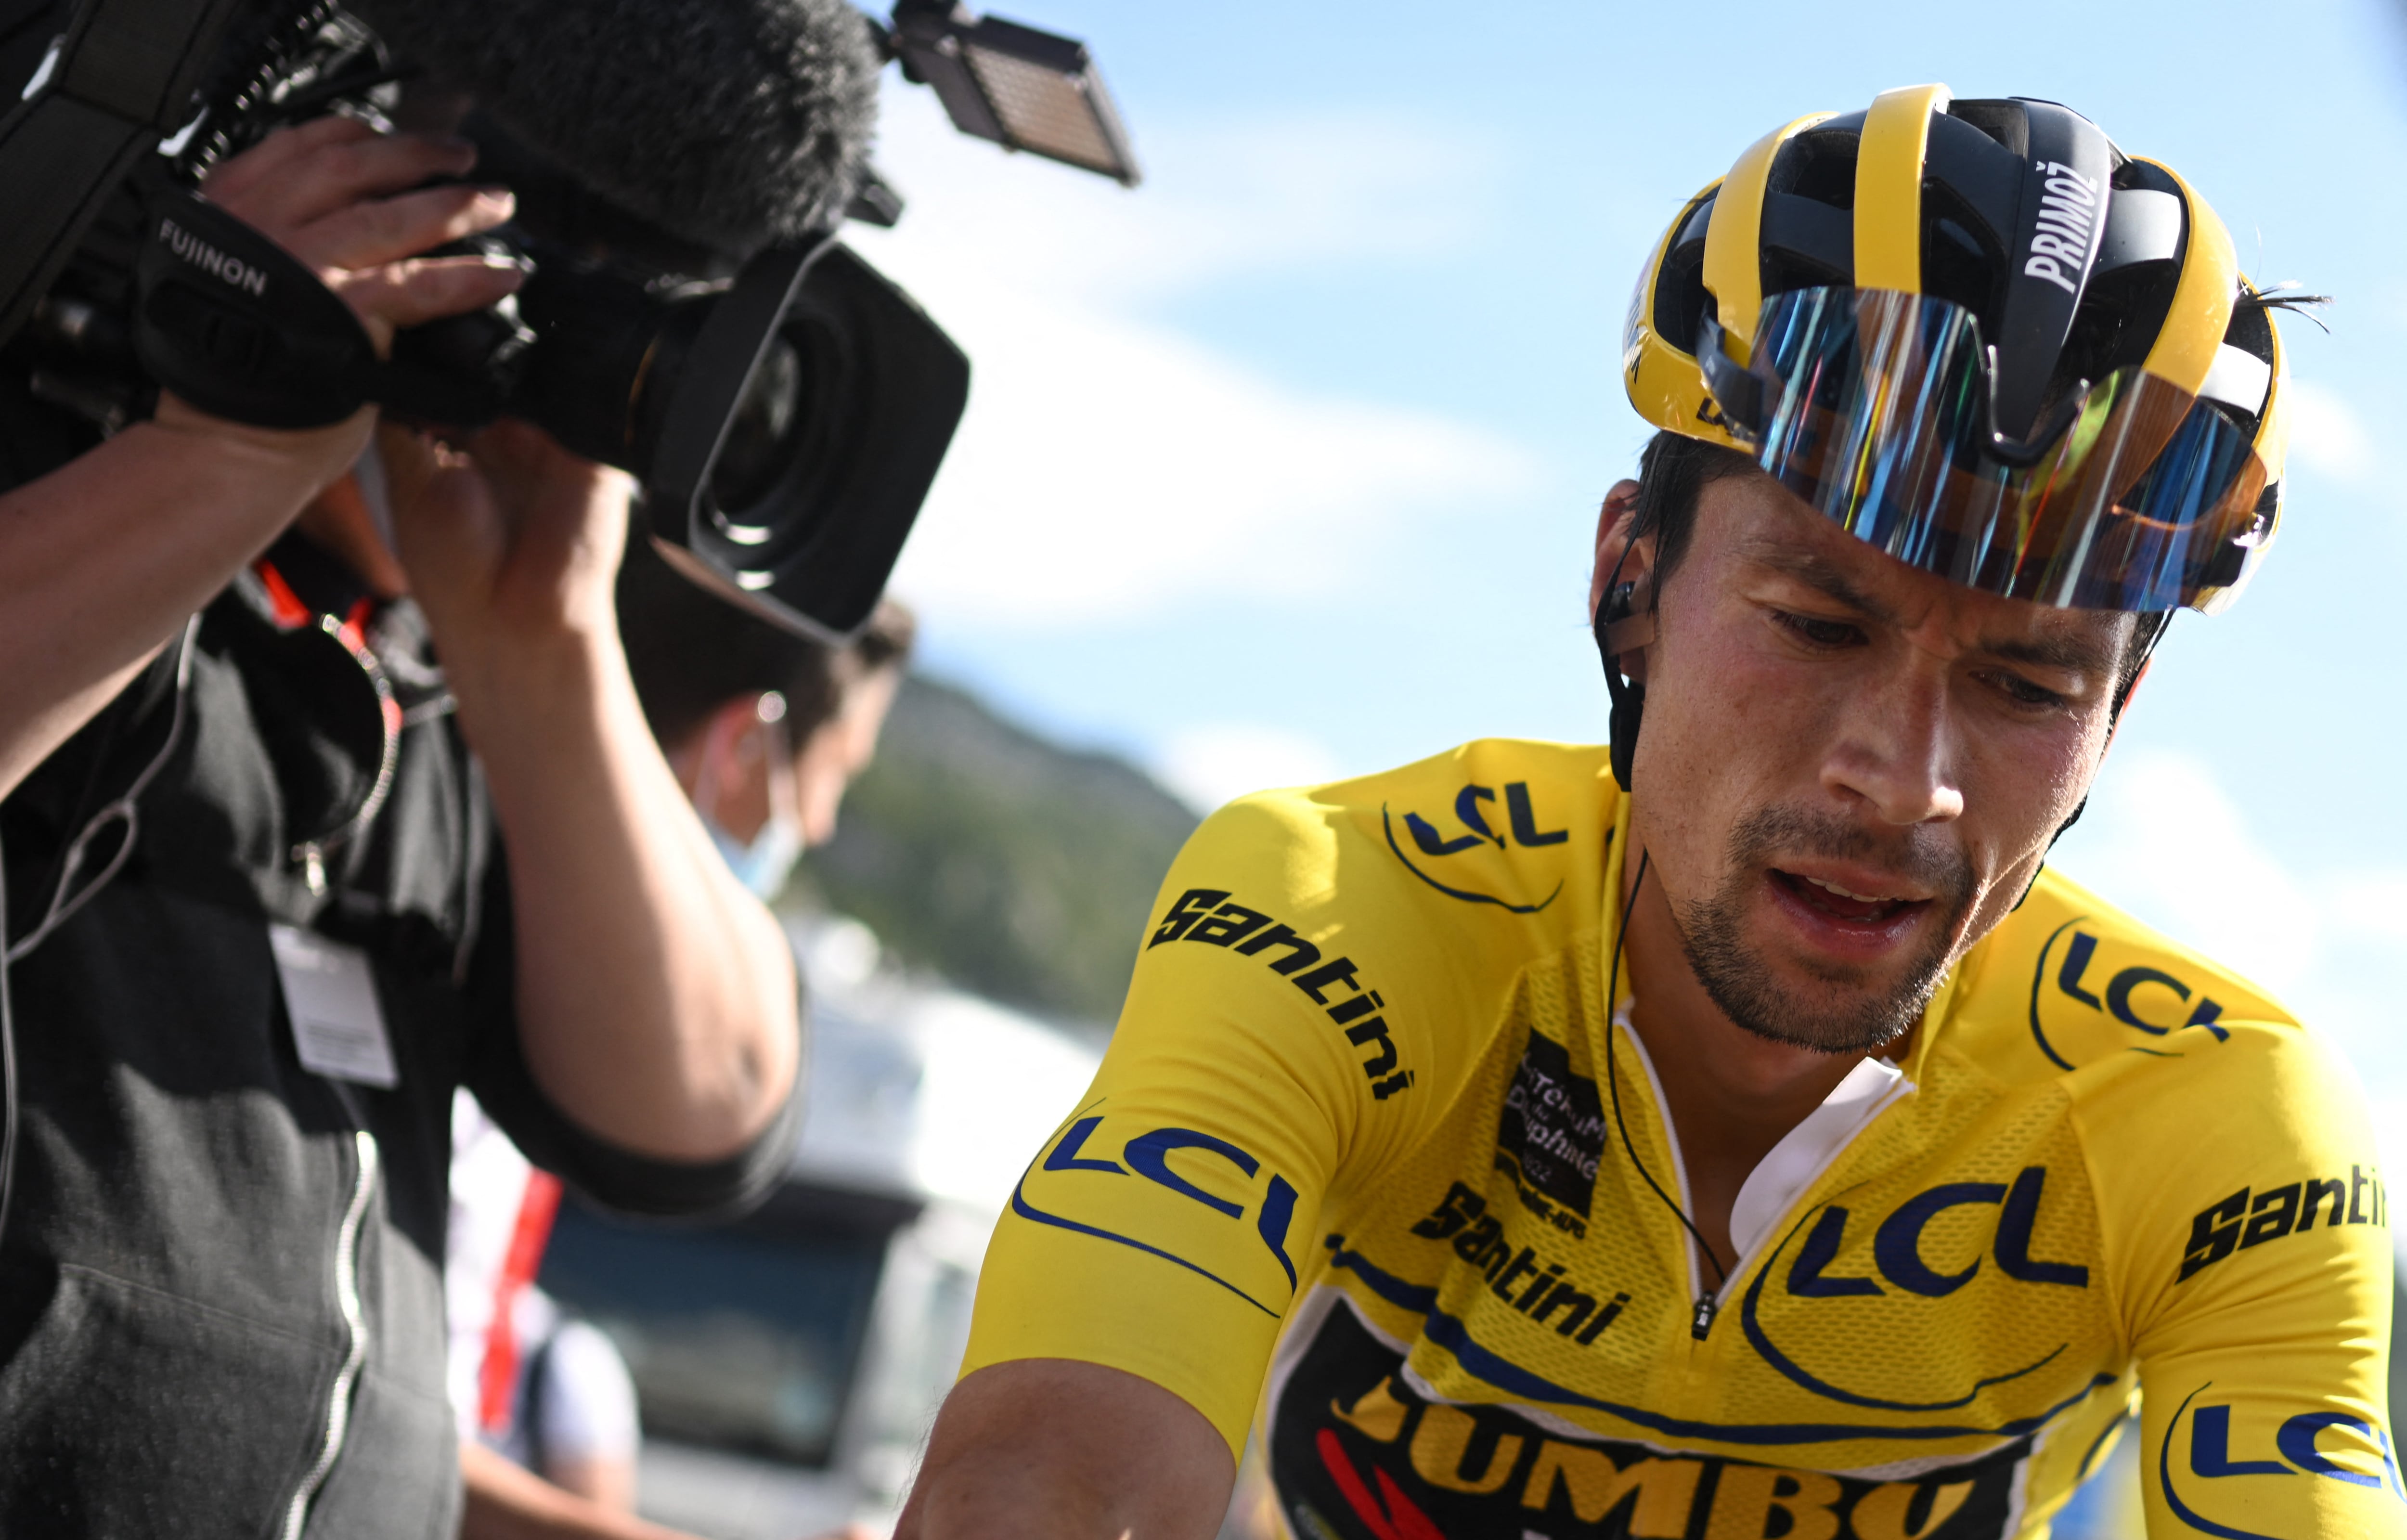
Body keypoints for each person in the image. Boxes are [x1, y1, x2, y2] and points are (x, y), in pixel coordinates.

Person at [896, 87, 2397, 1540]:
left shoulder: (2220, 1128)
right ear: (1631, 581)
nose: (1903, 779)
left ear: (2115, 721)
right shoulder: (1340, 911)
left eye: (2025, 685)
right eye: (1818, 622)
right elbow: (1050, 1474)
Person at [0, 116, 802, 1536]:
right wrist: (229, 445)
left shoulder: (438, 685)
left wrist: (547, 643)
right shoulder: (60, 491)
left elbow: (704, 1110)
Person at [446, 566, 912, 1540]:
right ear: (744, 744)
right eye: (837, 776)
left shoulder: (493, 943)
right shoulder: (485, 983)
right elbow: (362, 1426)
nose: (819, 824)